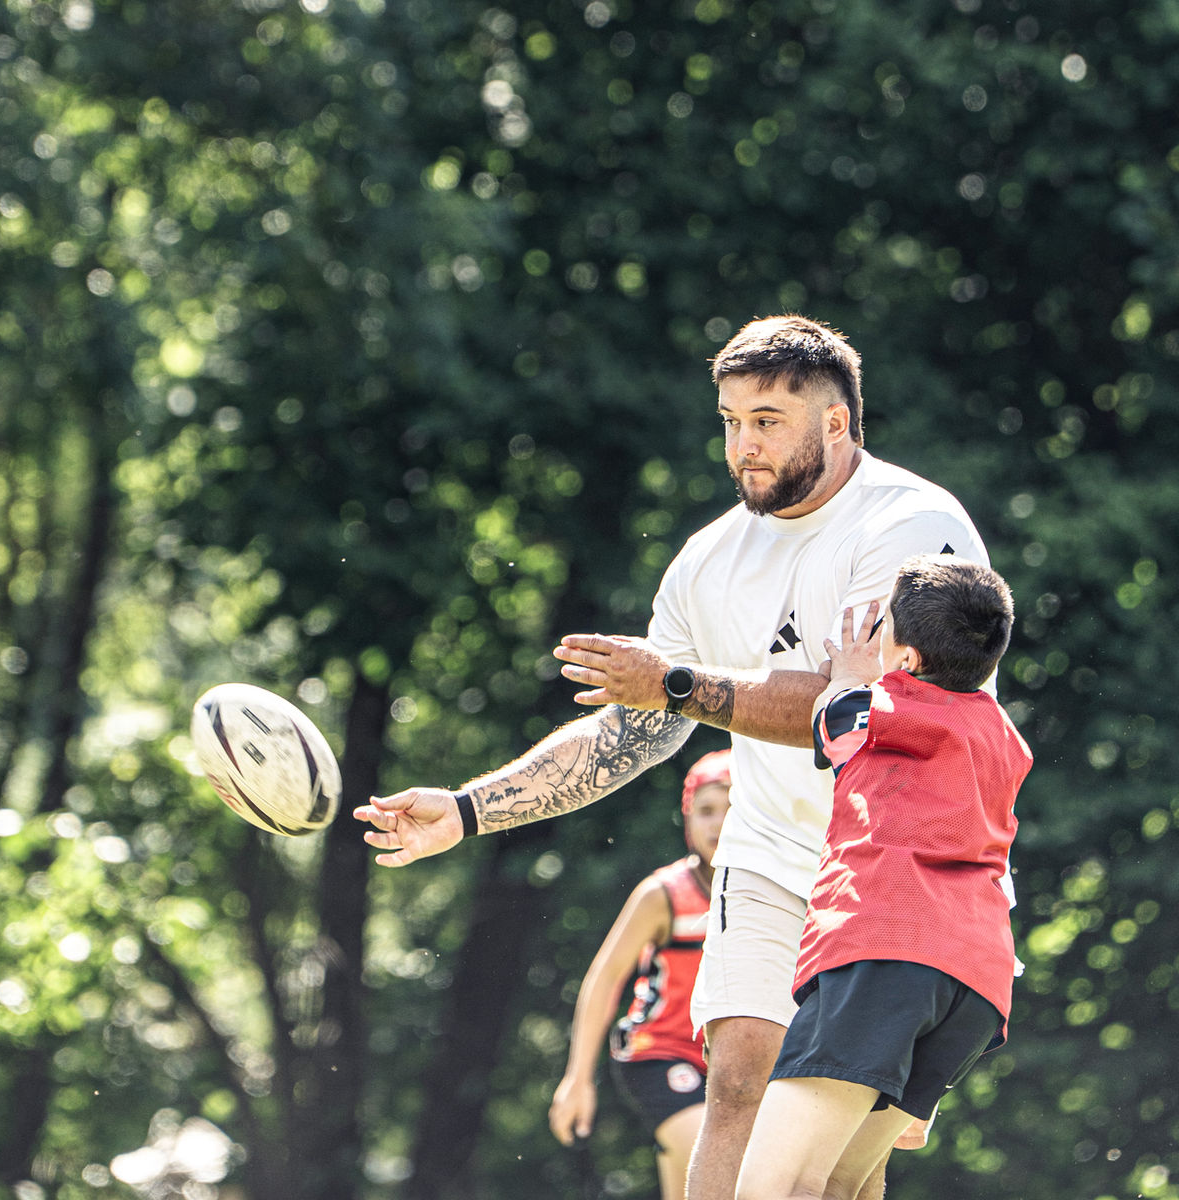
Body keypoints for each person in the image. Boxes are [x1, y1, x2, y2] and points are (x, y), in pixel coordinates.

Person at [354, 314, 992, 1200]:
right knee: (737, 1080)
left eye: (767, 420)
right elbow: (635, 730)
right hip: (770, 852)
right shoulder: (707, 561)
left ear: (837, 423)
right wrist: (467, 810)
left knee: (845, 1165)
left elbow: (864, 706)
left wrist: (680, 685)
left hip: (898, 869)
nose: (742, 446)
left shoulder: (912, 525)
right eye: (730, 421)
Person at [734, 555, 1032, 1200]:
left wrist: (848, 671)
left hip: (888, 949)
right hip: (977, 982)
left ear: (910, 656)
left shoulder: (880, 705)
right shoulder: (1005, 738)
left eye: (885, 623)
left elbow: (831, 720)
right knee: (845, 1187)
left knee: (774, 1187)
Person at [549, 750, 731, 1200]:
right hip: (659, 1055)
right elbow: (605, 979)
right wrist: (577, 1078)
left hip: (733, 1061)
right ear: (687, 819)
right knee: (727, 1170)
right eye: (706, 811)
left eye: (733, 810)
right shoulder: (664, 894)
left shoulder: (777, 892)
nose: (718, 825)